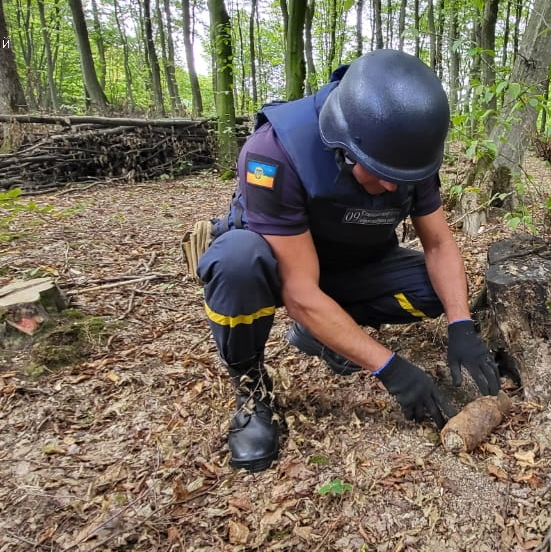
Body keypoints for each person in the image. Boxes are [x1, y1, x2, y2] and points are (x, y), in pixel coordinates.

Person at [188, 49, 502, 472]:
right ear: (344, 147)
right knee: (236, 261)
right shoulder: (274, 152)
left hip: (357, 263)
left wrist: (460, 323)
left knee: (436, 291)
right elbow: (299, 291)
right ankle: (252, 390)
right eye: (379, 173)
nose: (392, 186)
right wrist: (390, 368)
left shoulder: (409, 154)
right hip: (288, 269)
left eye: (403, 178)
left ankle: (322, 331)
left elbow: (440, 245)